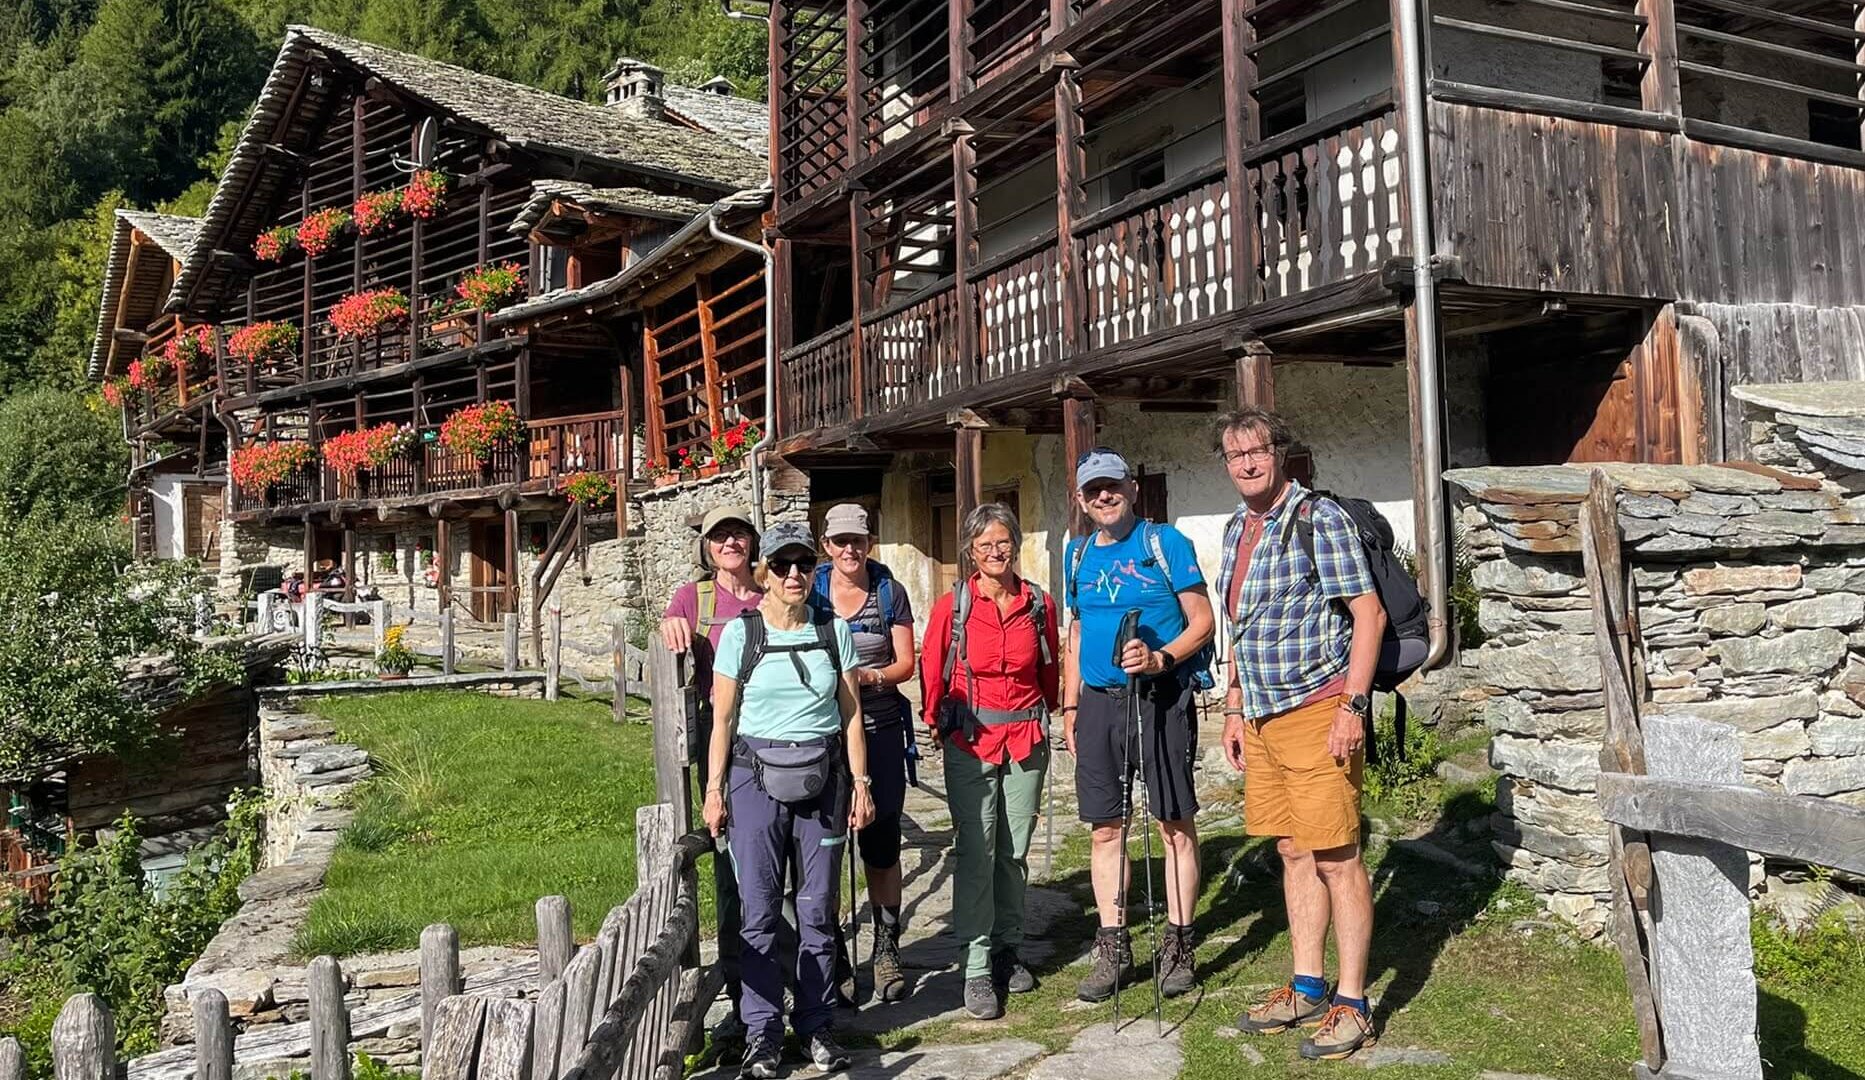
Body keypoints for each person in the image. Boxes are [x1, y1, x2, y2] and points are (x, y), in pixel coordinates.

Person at [1213, 408, 1385, 1060]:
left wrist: (1353, 707)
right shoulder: (1237, 527)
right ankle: (1307, 985)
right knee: (1291, 849)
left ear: (1278, 452)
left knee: (1337, 855)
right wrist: (1234, 706)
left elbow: (1367, 615)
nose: (1247, 463)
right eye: (1235, 455)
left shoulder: (1318, 518)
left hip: (1317, 709)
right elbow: (1242, 626)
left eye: (1257, 451)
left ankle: (1353, 1004)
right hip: (1262, 716)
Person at [703, 521, 873, 1078]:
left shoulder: (832, 630)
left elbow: (851, 715)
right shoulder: (742, 634)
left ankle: (817, 1026)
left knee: (818, 910)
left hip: (823, 780)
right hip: (753, 780)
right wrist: (714, 791)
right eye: (781, 565)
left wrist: (862, 784)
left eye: (803, 564)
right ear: (765, 573)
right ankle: (763, 1033)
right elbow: (722, 720)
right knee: (758, 911)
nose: (794, 574)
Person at [1061, 448, 1215, 1003]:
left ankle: (1178, 944)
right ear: (1081, 500)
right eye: (1092, 490)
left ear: (1131, 488)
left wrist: (1160, 659)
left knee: (1173, 824)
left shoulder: (1165, 543)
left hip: (1160, 697)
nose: (1103, 496)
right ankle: (1113, 945)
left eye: (1112, 486)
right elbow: (1077, 630)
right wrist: (1070, 706)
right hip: (1099, 704)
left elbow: (1203, 621)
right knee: (1106, 829)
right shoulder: (1077, 553)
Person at [919, 502, 1060, 1020]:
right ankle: (975, 966)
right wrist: (935, 719)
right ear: (971, 552)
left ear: (1015, 545)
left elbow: (1049, 667)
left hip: (1025, 737)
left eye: (1003, 542)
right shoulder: (953, 607)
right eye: (985, 545)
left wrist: (1052, 712)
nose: (996, 552)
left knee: (1013, 850)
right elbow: (932, 665)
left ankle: (1007, 948)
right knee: (976, 851)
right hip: (970, 741)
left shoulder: (1037, 603)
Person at [660, 506, 763, 1045]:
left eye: (739, 534)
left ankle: (790, 981)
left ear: (752, 542)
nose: (730, 543)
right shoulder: (693, 599)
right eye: (720, 536)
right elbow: (667, 631)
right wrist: (668, 624)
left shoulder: (771, 593)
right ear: (707, 547)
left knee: (781, 857)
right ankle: (742, 987)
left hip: (773, 732)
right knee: (728, 858)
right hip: (721, 739)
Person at [809, 504, 916, 1005]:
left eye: (858, 540)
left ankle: (887, 949)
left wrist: (865, 677)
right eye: (840, 541)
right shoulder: (811, 591)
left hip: (879, 729)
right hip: (823, 734)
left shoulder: (889, 592)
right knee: (825, 847)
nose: (850, 549)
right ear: (826, 545)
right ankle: (836, 953)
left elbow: (905, 663)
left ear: (869, 542)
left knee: (881, 841)